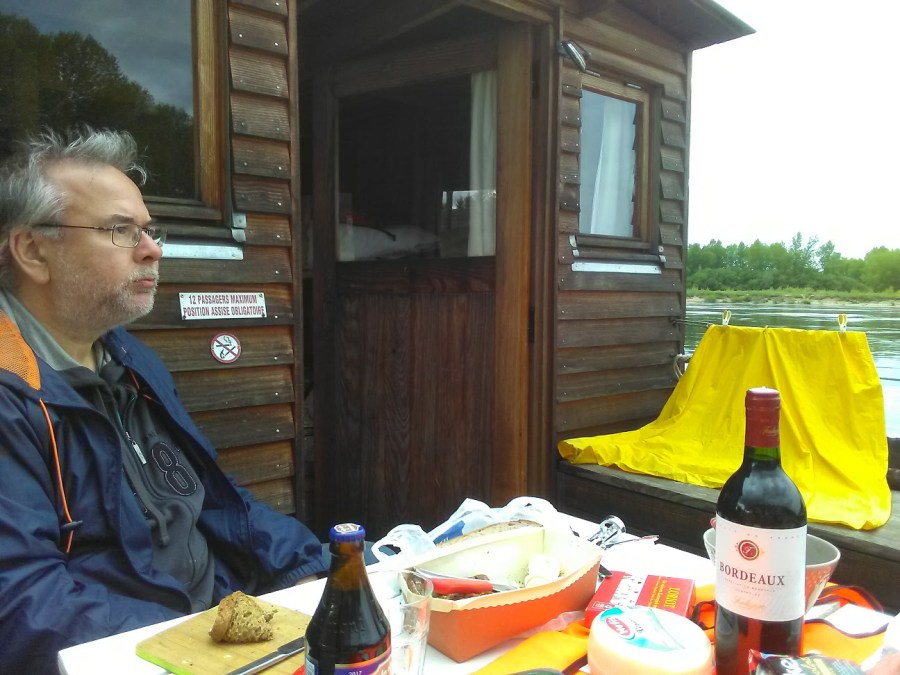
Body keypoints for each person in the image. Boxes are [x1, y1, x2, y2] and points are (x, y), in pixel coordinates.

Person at [0, 127, 327, 672]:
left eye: (149, 230)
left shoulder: (130, 360)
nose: (152, 249)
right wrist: (196, 646)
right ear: (33, 251)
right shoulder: (11, 395)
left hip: (219, 624)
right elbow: (22, 604)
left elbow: (214, 500)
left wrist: (313, 569)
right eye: (121, 231)